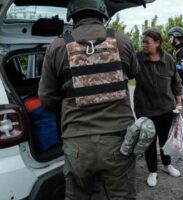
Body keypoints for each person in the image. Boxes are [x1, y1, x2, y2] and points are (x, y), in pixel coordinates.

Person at [38, 0, 140, 199]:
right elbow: (135, 72)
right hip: (118, 142)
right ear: (102, 13)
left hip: (78, 144)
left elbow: (46, 100)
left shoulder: (57, 46)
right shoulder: (122, 40)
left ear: (73, 16)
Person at [134, 28, 183, 187]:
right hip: (145, 109)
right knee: (149, 141)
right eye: (142, 41)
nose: (143, 44)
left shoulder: (168, 59)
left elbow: (176, 82)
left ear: (157, 43)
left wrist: (179, 103)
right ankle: (152, 171)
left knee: (165, 140)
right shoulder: (137, 58)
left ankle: (167, 165)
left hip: (166, 109)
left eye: (147, 42)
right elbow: (126, 73)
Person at [168, 26, 183, 132]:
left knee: (180, 105)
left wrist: (168, 66)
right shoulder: (178, 50)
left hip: (180, 83)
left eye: (170, 37)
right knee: (174, 105)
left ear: (176, 37)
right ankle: (177, 128)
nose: (169, 40)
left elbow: (180, 67)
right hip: (176, 82)